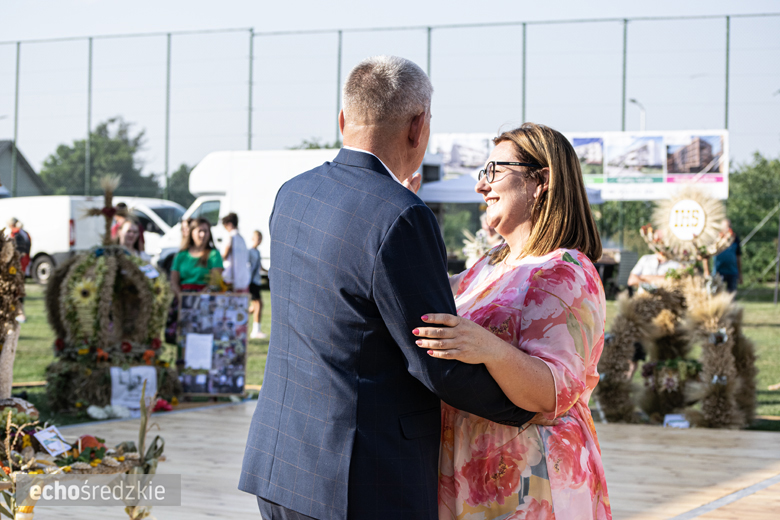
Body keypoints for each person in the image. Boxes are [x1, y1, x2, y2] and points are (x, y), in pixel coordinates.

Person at [239, 56, 534, 520]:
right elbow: (436, 360)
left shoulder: (293, 194)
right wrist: (531, 405)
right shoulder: (401, 216)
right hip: (361, 479)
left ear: (343, 121)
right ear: (418, 127)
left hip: (281, 462)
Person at [414, 123, 611, 519]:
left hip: (532, 479)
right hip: (473, 473)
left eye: (493, 171)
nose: (480, 186)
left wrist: (488, 349)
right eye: (480, 173)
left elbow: (551, 394)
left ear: (541, 181)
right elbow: (421, 294)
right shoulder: (489, 264)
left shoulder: (566, 271)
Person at [170, 218, 223, 296]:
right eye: (200, 231)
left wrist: (199, 297)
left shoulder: (214, 254)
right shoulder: (181, 255)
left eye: (205, 231)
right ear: (192, 233)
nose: (203, 234)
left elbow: (215, 281)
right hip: (182, 297)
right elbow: (173, 281)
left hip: (205, 298)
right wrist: (180, 297)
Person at [7, 218, 30, 323]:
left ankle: (20, 314)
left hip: (17, 268)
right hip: (20, 266)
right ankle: (17, 314)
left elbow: (20, 252)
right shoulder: (23, 234)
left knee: (16, 291)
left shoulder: (16, 235)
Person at [221, 213, 250, 293]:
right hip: (243, 278)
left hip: (231, 278)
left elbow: (224, 255)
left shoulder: (230, 237)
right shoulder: (242, 239)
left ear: (229, 224)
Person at [713, 219, 742, 292]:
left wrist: (740, 273)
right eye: (726, 227)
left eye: (729, 226)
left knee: (732, 295)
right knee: (718, 294)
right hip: (718, 271)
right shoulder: (716, 239)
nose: (728, 229)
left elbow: (738, 257)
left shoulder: (735, 239)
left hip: (732, 272)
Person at [247, 230, 265, 340]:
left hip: (256, 281)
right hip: (251, 281)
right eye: (257, 238)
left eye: (260, 238)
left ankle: (241, 315)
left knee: (255, 306)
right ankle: (255, 331)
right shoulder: (249, 251)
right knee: (258, 305)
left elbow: (260, 266)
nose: (259, 240)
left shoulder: (257, 252)